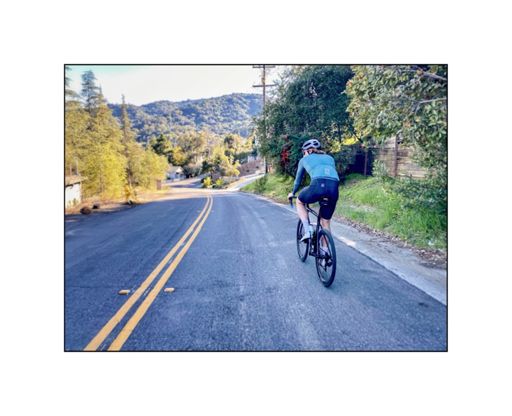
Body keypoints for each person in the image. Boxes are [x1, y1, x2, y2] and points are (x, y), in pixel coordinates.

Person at [287, 139, 340, 248]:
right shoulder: (330, 158)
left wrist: (293, 192)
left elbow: (298, 180)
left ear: (309, 151)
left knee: (299, 201)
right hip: (334, 188)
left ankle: (308, 230)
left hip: (317, 185)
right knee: (325, 222)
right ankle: (325, 252)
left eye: (304, 152)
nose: (304, 154)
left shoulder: (304, 160)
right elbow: (330, 176)